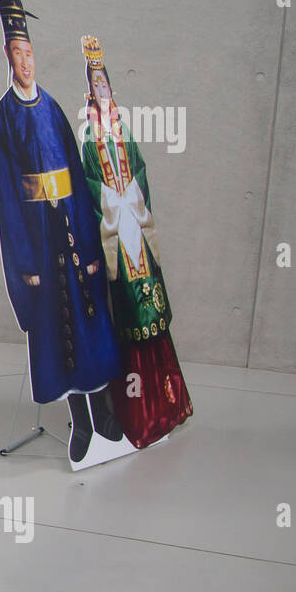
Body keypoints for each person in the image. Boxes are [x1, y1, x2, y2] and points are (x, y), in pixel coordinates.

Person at [0, 0, 124, 462]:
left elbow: (78, 182)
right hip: (40, 241)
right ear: (8, 57)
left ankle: (107, 414)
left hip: (72, 230)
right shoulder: (5, 116)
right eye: (17, 55)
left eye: (30, 54)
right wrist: (25, 263)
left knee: (92, 320)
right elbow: (7, 194)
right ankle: (80, 421)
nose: (25, 62)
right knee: (59, 327)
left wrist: (89, 240)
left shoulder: (54, 108)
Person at [78, 35, 192, 447]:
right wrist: (112, 200)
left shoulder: (125, 136)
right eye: (96, 87)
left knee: (154, 318)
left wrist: (133, 197)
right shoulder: (90, 143)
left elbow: (140, 173)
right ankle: (138, 412)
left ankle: (166, 404)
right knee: (130, 322)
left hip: (138, 235)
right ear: (89, 95)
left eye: (106, 85)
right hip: (117, 244)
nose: (102, 92)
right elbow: (91, 189)